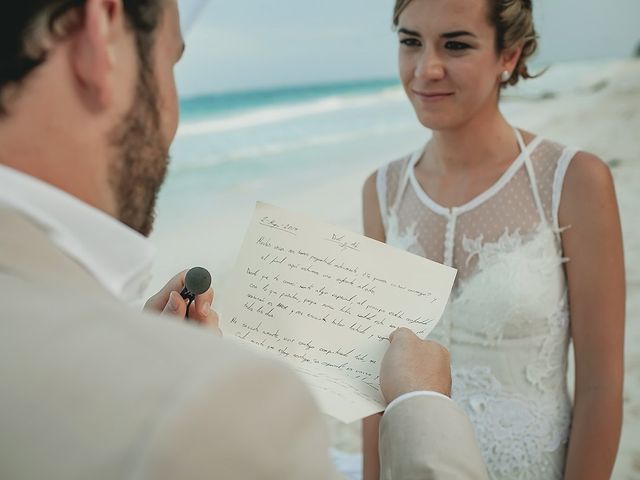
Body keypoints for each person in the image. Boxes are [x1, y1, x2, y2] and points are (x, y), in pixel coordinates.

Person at [0, 0, 490, 478]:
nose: (172, 120)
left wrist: (129, 358)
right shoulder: (216, 405)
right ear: (101, 29)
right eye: (171, 62)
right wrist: (420, 406)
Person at [361, 0, 626, 479]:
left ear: (510, 55)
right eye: (410, 42)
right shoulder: (382, 192)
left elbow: (600, 388)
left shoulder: (572, 181)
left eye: (456, 45)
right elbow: (370, 381)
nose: (426, 69)